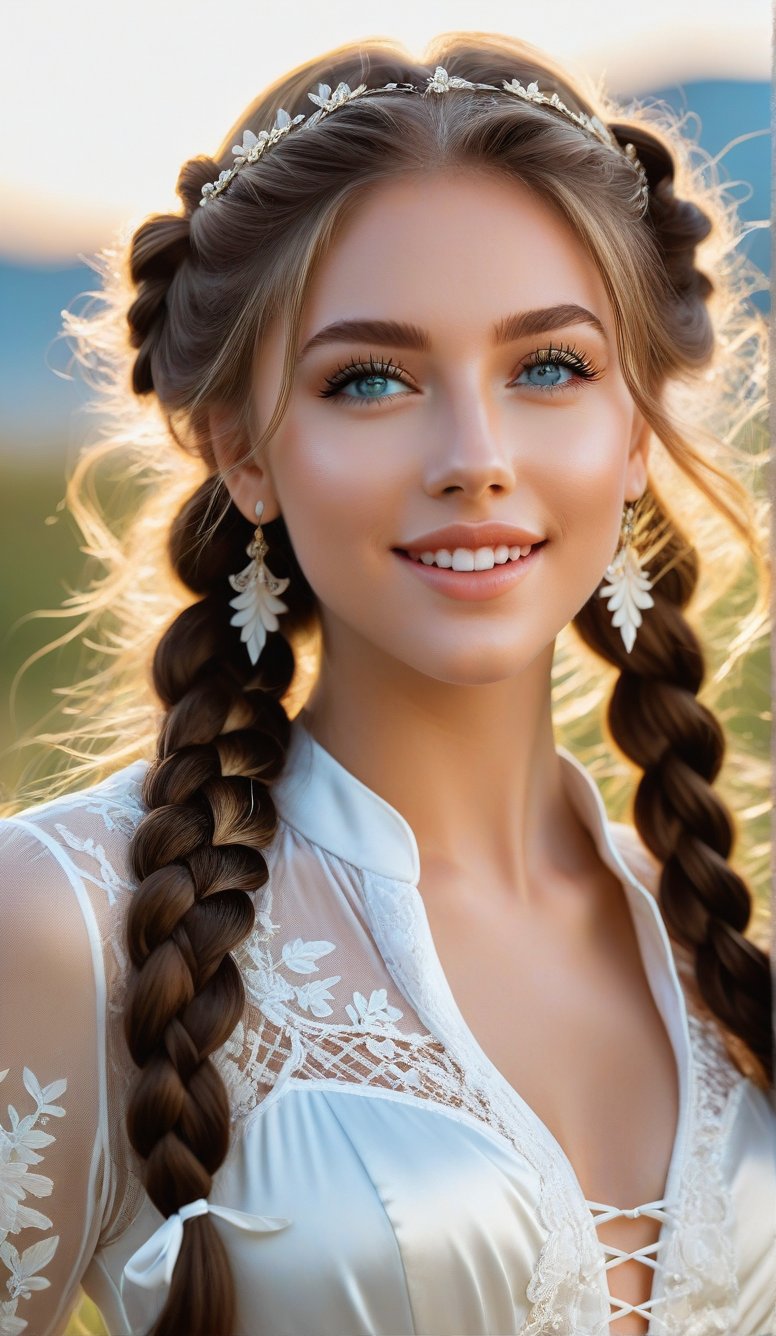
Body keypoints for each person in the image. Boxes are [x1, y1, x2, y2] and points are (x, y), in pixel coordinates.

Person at [0, 30, 773, 1336]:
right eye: (370, 378)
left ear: (635, 428)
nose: (475, 456)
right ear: (244, 450)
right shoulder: (63, 922)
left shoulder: (720, 962)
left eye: (548, 368)